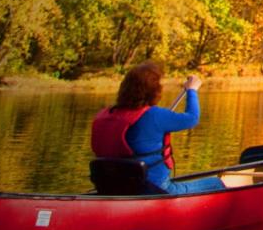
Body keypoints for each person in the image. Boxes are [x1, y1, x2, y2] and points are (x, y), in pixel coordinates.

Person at [91, 62, 224, 195]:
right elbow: (192, 118)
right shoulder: (154, 115)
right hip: (154, 188)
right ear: (153, 91)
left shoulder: (107, 114)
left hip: (111, 186)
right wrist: (192, 90)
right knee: (216, 183)